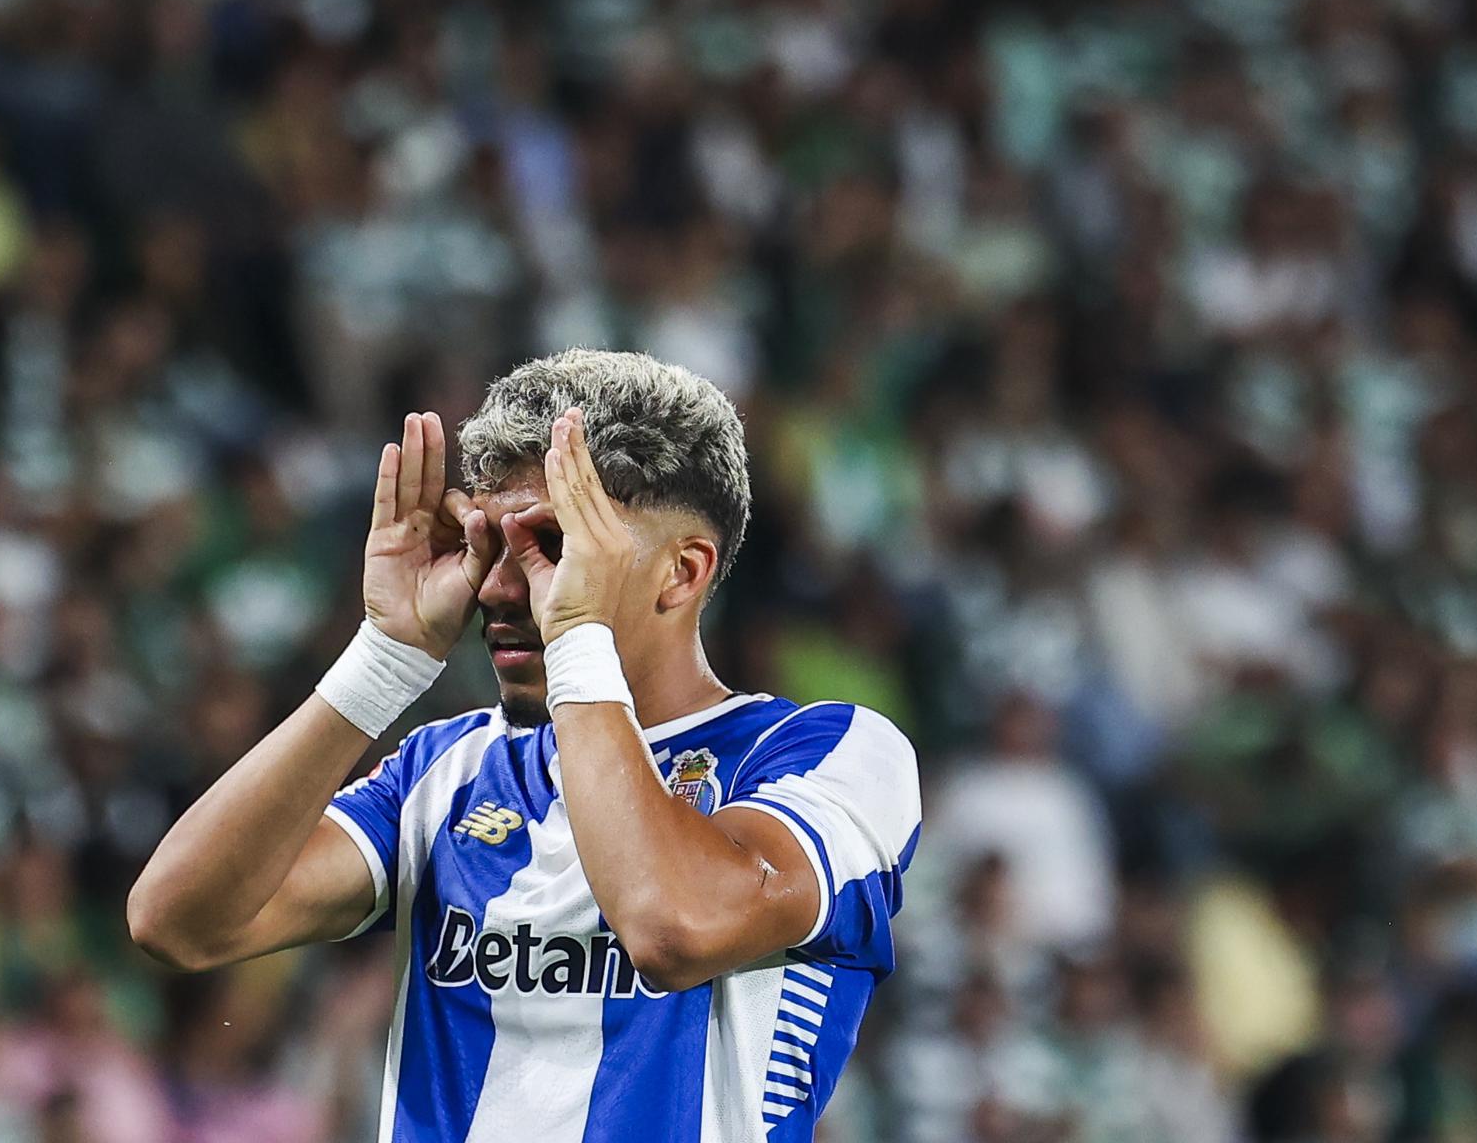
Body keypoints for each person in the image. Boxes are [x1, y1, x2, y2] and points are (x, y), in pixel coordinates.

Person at [128, 348, 923, 1140]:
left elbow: (669, 926)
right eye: (491, 547)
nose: (501, 587)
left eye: (551, 546)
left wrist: (576, 635)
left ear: (681, 574)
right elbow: (179, 922)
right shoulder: (447, 771)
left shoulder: (832, 754)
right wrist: (383, 659)